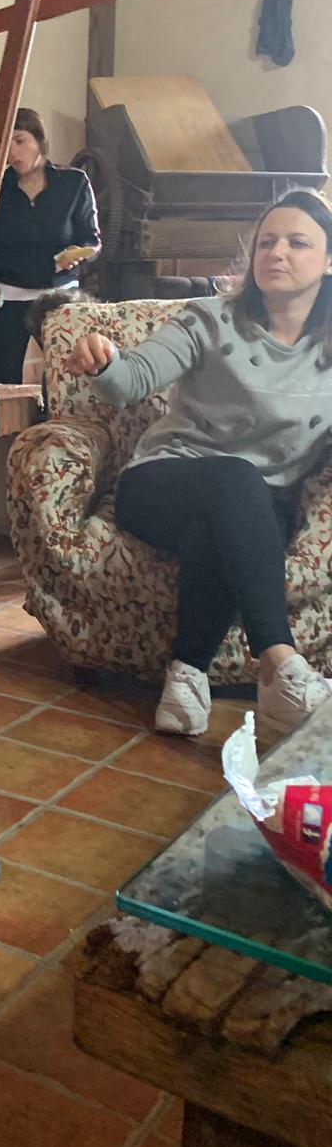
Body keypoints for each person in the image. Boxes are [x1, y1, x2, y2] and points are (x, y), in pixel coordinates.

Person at [64, 189, 332, 738]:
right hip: (162, 483)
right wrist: (103, 358)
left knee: (219, 529)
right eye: (267, 241)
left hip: (260, 510)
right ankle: (280, 663)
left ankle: (185, 674)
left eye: (297, 242)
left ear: (329, 261)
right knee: (234, 479)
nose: (277, 252)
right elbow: (133, 378)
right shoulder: (210, 319)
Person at [0, 108, 100, 384]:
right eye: (6, 143)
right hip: (6, 299)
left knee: (69, 380)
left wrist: (79, 254)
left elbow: (92, 241)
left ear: (40, 141)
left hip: (60, 298)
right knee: (4, 384)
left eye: (20, 140)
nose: (12, 151)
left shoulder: (74, 184)